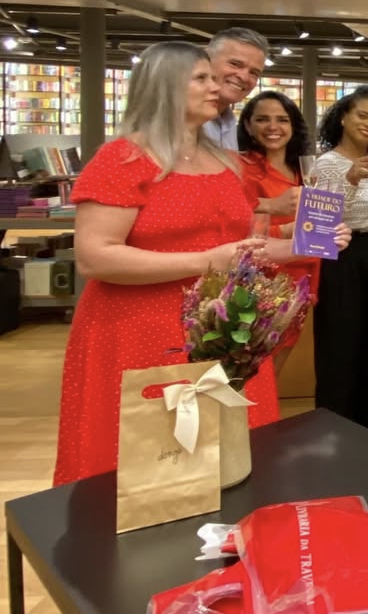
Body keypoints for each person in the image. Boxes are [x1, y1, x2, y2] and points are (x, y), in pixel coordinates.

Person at [54, 42, 351, 486]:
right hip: (141, 330)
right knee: (148, 461)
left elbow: (242, 248)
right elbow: (95, 256)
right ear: (164, 87)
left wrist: (306, 246)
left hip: (224, 328)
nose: (218, 88)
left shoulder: (223, 162)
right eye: (202, 79)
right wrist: (205, 261)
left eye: (214, 78)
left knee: (229, 460)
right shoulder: (122, 159)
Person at [312, 85, 368, 428]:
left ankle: (367, 426)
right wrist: (350, 179)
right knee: (340, 345)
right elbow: (317, 223)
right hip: (342, 257)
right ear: (344, 116)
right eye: (362, 115)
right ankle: (334, 425)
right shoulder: (325, 163)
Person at [236, 90, 320, 375]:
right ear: (248, 125)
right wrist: (284, 229)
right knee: (254, 369)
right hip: (263, 282)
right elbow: (235, 230)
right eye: (262, 119)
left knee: (277, 368)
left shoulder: (304, 170)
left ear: (293, 125)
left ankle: (265, 419)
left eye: (282, 119)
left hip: (302, 278)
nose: (273, 127)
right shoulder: (240, 169)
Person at [203, 28, 268, 152]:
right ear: (206, 60)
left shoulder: (229, 121)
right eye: (235, 64)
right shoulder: (177, 117)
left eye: (254, 73)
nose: (244, 77)